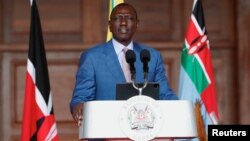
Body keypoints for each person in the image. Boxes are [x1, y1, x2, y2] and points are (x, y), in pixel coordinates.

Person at [70, 3, 179, 126]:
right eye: (117, 18)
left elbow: (164, 94)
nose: (123, 22)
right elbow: (81, 98)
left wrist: (181, 110)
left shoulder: (151, 57)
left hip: (144, 131)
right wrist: (79, 107)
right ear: (110, 25)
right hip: (106, 129)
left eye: (128, 18)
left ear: (137, 24)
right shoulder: (92, 57)